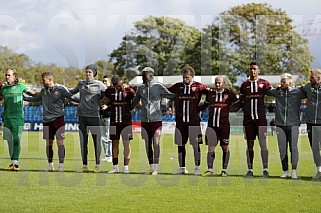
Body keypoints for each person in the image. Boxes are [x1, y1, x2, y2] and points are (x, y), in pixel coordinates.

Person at [24, 72, 77, 172]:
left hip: (58, 119)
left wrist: (85, 101)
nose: (42, 82)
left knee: (60, 142)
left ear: (50, 80)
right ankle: (50, 165)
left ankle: (61, 165)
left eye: (43, 80)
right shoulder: (43, 91)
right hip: (46, 120)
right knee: (49, 143)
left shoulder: (60, 89)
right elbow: (36, 98)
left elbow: (72, 97)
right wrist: (24, 97)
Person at [132, 67, 175, 175]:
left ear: (151, 75)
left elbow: (171, 96)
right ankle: (151, 167)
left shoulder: (158, 86)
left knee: (156, 142)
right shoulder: (140, 88)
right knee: (147, 144)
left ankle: (156, 167)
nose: (142, 76)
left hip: (156, 119)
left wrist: (183, 97)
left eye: (144, 75)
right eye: (142, 74)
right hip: (144, 120)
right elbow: (134, 102)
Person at [168, 66, 208, 175]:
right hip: (180, 122)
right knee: (180, 145)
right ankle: (182, 167)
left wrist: (201, 107)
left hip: (194, 121)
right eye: (184, 77)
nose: (185, 79)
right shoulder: (178, 86)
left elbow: (210, 94)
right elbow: (165, 92)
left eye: (187, 77)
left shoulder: (199, 87)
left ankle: (197, 167)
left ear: (192, 77)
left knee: (195, 145)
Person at [266, 73, 305, 179]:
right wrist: (272, 86)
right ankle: (286, 171)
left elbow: (309, 93)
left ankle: (294, 171)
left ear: (290, 81)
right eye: (281, 81)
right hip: (280, 124)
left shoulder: (298, 92)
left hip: (294, 124)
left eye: (284, 81)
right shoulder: (278, 92)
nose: (282, 83)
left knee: (293, 148)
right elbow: (266, 90)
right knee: (282, 149)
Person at [69, 64, 106, 173]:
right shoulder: (81, 83)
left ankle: (97, 165)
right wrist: (61, 90)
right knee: (83, 142)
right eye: (86, 72)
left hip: (94, 116)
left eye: (90, 72)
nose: (88, 74)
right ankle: (84, 165)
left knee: (96, 142)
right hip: (82, 116)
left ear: (94, 73)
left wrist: (105, 104)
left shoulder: (99, 84)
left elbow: (108, 94)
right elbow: (71, 92)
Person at [239, 62, 272, 178]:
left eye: (254, 69)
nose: (252, 71)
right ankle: (250, 169)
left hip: (261, 119)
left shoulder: (264, 83)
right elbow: (241, 100)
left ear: (259, 71)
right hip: (248, 120)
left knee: (263, 144)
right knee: (249, 144)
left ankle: (265, 169)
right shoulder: (244, 85)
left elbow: (273, 92)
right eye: (251, 69)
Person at [201, 76, 238, 177]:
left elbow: (238, 104)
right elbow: (204, 105)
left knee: (224, 147)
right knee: (210, 148)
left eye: (219, 83)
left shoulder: (229, 94)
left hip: (224, 125)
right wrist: (194, 109)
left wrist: (228, 110)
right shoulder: (210, 94)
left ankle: (224, 170)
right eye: (216, 83)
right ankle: (210, 169)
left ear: (223, 83)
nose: (217, 84)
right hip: (212, 125)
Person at [0, 68, 35, 171]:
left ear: (14, 76)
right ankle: (13, 163)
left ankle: (16, 163)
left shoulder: (20, 86)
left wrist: (43, 95)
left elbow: (33, 94)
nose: (7, 77)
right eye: (6, 75)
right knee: (9, 141)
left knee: (16, 139)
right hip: (6, 118)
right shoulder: (4, 89)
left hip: (18, 118)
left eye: (9, 75)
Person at [106, 75, 136, 174]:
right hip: (114, 121)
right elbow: (104, 100)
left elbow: (136, 101)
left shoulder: (129, 91)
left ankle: (126, 167)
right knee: (114, 143)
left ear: (121, 82)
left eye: (119, 85)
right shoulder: (109, 91)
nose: (118, 88)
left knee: (126, 143)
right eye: (115, 86)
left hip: (126, 122)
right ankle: (115, 167)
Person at [300, 68, 321, 179]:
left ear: (319, 76)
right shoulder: (308, 86)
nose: (310, 79)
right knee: (314, 148)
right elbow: (298, 92)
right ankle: (319, 170)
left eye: (312, 77)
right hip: (311, 122)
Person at [100, 75, 112, 162]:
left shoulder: (112, 91)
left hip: (110, 116)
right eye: (103, 81)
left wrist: (107, 106)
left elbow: (115, 103)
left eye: (106, 81)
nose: (104, 83)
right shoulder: (101, 92)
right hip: (102, 116)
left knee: (109, 136)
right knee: (103, 137)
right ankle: (107, 155)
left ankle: (111, 155)